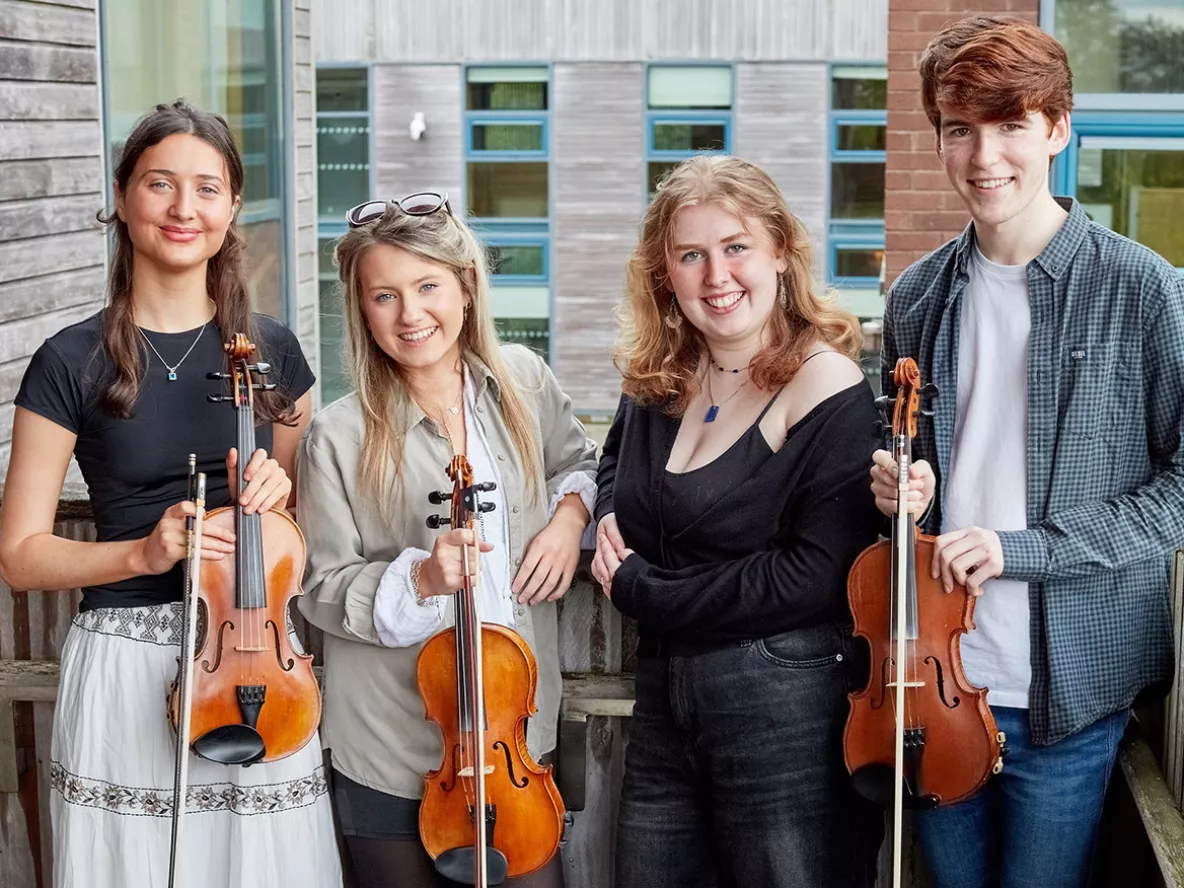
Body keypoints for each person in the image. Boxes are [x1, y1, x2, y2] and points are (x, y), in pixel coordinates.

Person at [871, 15, 1184, 888]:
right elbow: (910, 455)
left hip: (1071, 693)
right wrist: (902, 485)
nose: (983, 157)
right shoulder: (919, 296)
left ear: (1057, 129)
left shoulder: (1148, 292)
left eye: (1011, 125)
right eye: (960, 129)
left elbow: (1182, 491)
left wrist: (1022, 551)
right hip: (934, 678)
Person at [0, 101, 342, 887]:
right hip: (124, 654)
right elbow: (19, 555)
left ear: (230, 209)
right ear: (122, 198)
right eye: (160, 184)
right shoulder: (67, 360)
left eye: (207, 188)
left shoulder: (276, 350)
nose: (184, 209)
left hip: (257, 665)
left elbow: (295, 530)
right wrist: (143, 551)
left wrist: (280, 492)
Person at [591, 155, 885, 888]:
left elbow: (815, 575)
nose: (716, 275)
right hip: (665, 697)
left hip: (786, 703)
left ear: (780, 251)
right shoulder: (658, 374)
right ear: (666, 274)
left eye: (736, 248)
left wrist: (641, 591)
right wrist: (593, 518)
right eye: (691, 255)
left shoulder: (829, 384)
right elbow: (613, 470)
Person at [296, 192, 597, 888]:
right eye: (384, 295)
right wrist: (420, 581)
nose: (410, 314)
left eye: (428, 286)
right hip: (394, 743)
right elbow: (317, 588)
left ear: (465, 286)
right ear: (361, 308)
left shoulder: (524, 380)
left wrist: (569, 520)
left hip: (514, 735)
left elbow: (579, 462)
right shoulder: (336, 437)